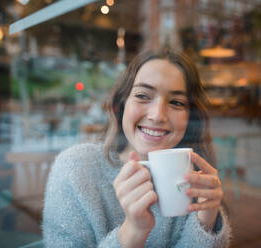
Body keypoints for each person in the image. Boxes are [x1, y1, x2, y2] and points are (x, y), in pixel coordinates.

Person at [43, 49, 231, 247]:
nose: (158, 115)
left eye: (176, 102)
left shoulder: (193, 177)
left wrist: (206, 221)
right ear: (121, 105)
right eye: (143, 95)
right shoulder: (76, 169)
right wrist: (132, 231)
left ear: (190, 117)